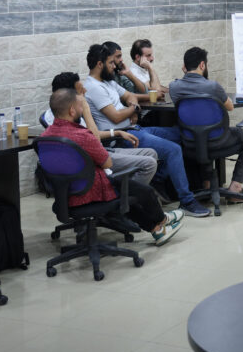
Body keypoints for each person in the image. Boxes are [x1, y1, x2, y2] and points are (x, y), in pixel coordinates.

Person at [81, 44, 211, 217]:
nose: (114, 66)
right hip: (122, 137)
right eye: (111, 62)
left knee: (183, 134)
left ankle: (158, 179)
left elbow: (130, 96)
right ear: (99, 64)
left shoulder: (108, 82)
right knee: (173, 150)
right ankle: (186, 201)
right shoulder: (94, 87)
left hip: (135, 128)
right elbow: (116, 117)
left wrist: (132, 107)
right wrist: (133, 109)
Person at [40, 89, 183, 245]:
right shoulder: (82, 136)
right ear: (72, 110)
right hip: (90, 192)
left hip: (65, 194)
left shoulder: (44, 137)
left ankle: (157, 229)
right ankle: (162, 219)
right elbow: (107, 163)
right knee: (142, 191)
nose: (82, 109)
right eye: (81, 106)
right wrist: (87, 111)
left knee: (129, 189)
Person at [45, 72, 160, 189]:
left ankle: (133, 191)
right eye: (80, 91)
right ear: (68, 96)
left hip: (100, 150)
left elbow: (89, 135)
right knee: (149, 163)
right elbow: (93, 141)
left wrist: (116, 132)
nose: (85, 91)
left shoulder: (68, 115)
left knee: (151, 153)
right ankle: (126, 194)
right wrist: (85, 108)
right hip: (93, 160)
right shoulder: (64, 119)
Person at [169, 47, 243, 198]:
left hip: (190, 142)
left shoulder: (174, 87)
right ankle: (235, 188)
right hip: (218, 142)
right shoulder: (213, 87)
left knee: (201, 129)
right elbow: (230, 107)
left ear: (184, 67)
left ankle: (207, 185)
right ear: (202, 65)